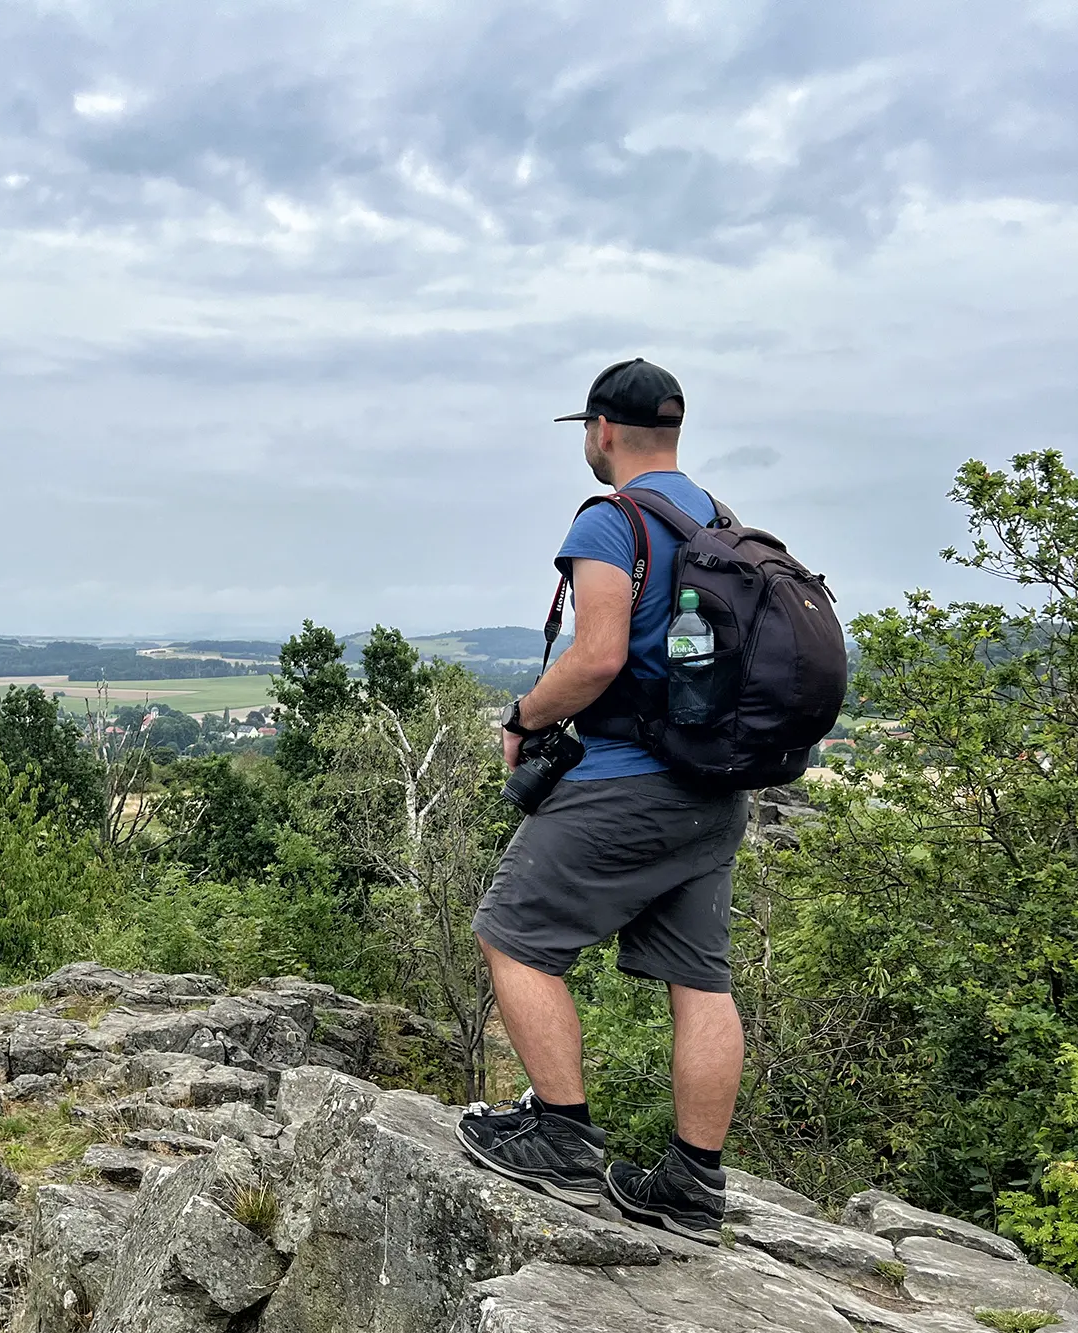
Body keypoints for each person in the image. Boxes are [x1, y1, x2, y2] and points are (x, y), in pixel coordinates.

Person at [458, 358, 749, 1245]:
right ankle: (692, 1184)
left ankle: (560, 1130)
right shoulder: (719, 520)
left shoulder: (610, 519)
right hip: (715, 791)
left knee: (510, 934)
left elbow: (597, 656)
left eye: (586, 430)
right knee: (699, 977)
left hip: (627, 783)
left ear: (603, 431)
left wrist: (522, 715)